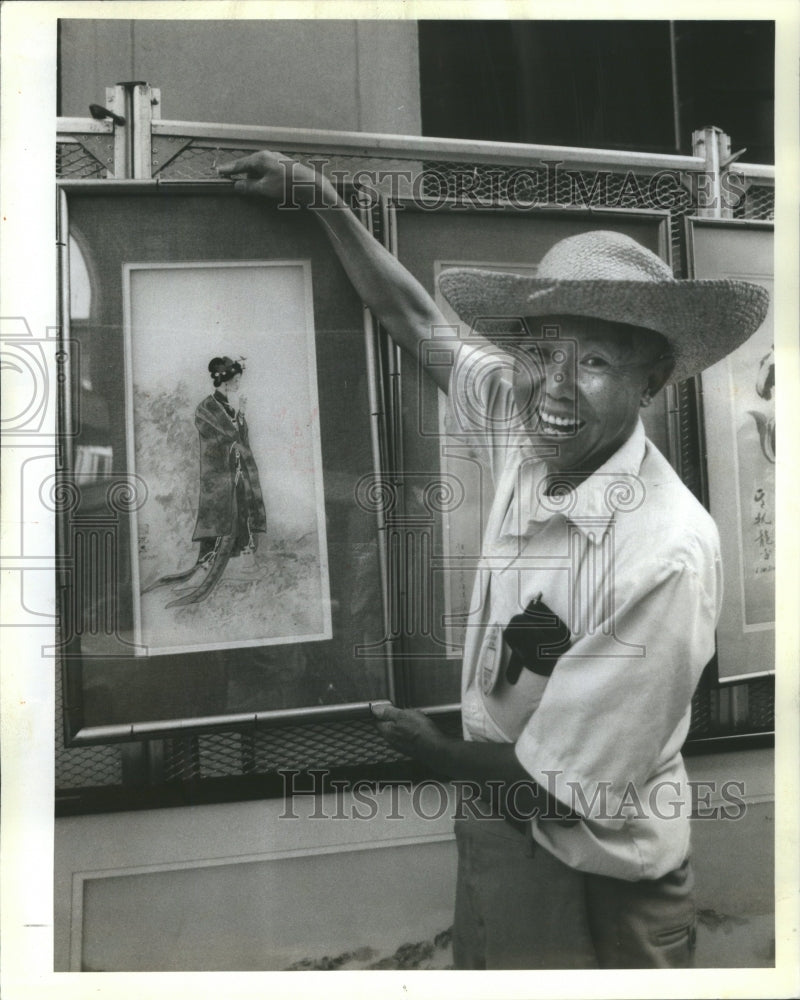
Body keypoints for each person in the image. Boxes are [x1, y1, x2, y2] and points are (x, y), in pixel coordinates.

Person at [218, 151, 769, 969]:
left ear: (651, 380)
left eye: (594, 362)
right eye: (541, 352)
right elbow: (415, 319)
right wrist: (320, 199)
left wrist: (425, 745)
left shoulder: (665, 554)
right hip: (499, 830)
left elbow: (558, 790)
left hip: (600, 884)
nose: (554, 387)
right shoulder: (526, 419)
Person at [144, 355, 267, 607]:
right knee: (222, 519)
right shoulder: (207, 408)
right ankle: (211, 565)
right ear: (225, 379)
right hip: (218, 475)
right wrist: (236, 424)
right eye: (236, 379)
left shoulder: (228, 407)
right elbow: (228, 436)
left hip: (235, 472)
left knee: (241, 512)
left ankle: (240, 564)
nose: (238, 383)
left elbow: (239, 437)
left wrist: (241, 415)